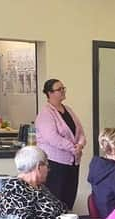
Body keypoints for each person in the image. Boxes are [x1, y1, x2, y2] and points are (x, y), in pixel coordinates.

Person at [35, 78, 87, 210]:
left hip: (72, 161)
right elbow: (52, 137)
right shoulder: (45, 114)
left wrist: (80, 145)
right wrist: (72, 148)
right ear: (49, 93)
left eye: (63, 88)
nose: (63, 91)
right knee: (56, 199)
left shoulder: (68, 109)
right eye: (59, 89)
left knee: (69, 199)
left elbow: (80, 131)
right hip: (55, 162)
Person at [0, 146, 67, 219]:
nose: (48, 170)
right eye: (47, 166)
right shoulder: (14, 188)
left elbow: (62, 209)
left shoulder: (40, 187)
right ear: (39, 167)